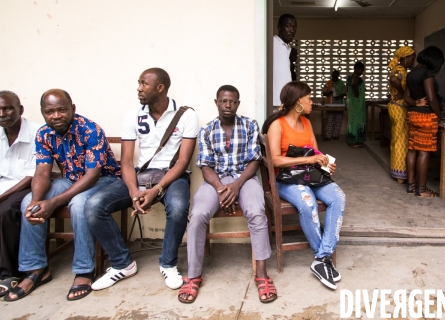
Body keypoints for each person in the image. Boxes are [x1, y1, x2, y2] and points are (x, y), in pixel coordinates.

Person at [86, 68, 199, 291]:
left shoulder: (186, 115)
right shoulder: (133, 115)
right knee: (93, 206)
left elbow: (182, 162)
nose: (139, 88)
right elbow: (127, 161)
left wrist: (156, 189)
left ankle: (168, 263)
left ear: (160, 88)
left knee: (178, 207)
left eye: (144, 84)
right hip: (141, 175)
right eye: (138, 83)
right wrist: (133, 191)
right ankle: (122, 263)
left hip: (172, 176)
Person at [5, 89, 120, 302]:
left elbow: (92, 175)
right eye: (49, 112)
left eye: (61, 110)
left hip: (104, 179)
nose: (56, 116)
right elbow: (42, 172)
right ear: (43, 113)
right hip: (70, 178)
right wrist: (39, 201)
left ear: (72, 109)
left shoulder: (90, 129)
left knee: (78, 203)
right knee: (29, 202)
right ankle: (36, 269)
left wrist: (54, 201)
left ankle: (84, 270)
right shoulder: (43, 134)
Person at [179, 85, 276, 304]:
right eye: (223, 101)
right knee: (197, 216)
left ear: (237, 104)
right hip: (216, 181)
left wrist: (237, 185)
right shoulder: (206, 130)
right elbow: (205, 166)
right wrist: (221, 188)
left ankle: (261, 274)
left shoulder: (250, 125)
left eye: (232, 102)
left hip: (245, 179)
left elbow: (254, 160)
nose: (227, 105)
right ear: (216, 103)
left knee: (258, 212)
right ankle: (193, 276)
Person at [262, 81, 345, 290]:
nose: (312, 102)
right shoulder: (277, 125)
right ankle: (324, 258)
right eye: (309, 98)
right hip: (285, 179)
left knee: (338, 196)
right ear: (298, 101)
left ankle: (321, 257)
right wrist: (308, 161)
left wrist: (325, 163)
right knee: (307, 201)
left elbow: (315, 154)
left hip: (309, 176)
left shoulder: (307, 124)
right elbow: (276, 160)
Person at [0, 92, 41, 298]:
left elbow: (35, 173)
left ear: (20, 109)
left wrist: (3, 195)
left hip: (28, 185)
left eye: (7, 108)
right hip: (3, 184)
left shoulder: (36, 132)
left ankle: (9, 272)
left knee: (6, 211)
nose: (3, 114)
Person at [404, 46, 445, 197]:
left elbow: (406, 97)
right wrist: (439, 116)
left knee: (412, 149)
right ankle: (422, 189)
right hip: (426, 117)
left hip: (413, 116)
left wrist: (415, 102)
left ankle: (411, 185)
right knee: (424, 152)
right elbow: (432, 99)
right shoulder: (427, 73)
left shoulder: (411, 73)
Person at [387, 47, 416, 184]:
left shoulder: (398, 68)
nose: (413, 62)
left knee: (397, 139)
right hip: (399, 108)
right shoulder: (400, 70)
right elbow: (393, 79)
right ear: (405, 58)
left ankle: (397, 171)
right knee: (401, 140)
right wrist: (404, 92)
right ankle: (400, 175)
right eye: (412, 59)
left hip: (395, 106)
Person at [273, 14, 297, 107]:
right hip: (275, 101)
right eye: (288, 26)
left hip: (285, 101)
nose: (292, 30)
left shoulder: (286, 47)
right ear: (279, 27)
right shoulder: (273, 43)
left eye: (294, 27)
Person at [321, 69, 347, 141]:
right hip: (330, 104)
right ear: (332, 75)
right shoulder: (328, 83)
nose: (335, 76)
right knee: (330, 119)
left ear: (338, 76)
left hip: (339, 104)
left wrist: (339, 96)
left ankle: (335, 135)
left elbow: (345, 93)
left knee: (338, 120)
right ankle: (328, 136)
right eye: (334, 75)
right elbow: (323, 93)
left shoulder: (341, 83)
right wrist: (328, 93)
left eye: (336, 75)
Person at [346, 61, 366, 148]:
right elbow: (354, 85)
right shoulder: (355, 76)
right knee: (355, 120)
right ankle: (353, 141)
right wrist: (357, 93)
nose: (362, 72)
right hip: (355, 102)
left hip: (352, 102)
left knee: (354, 120)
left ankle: (356, 140)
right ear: (358, 69)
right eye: (362, 70)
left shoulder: (349, 77)